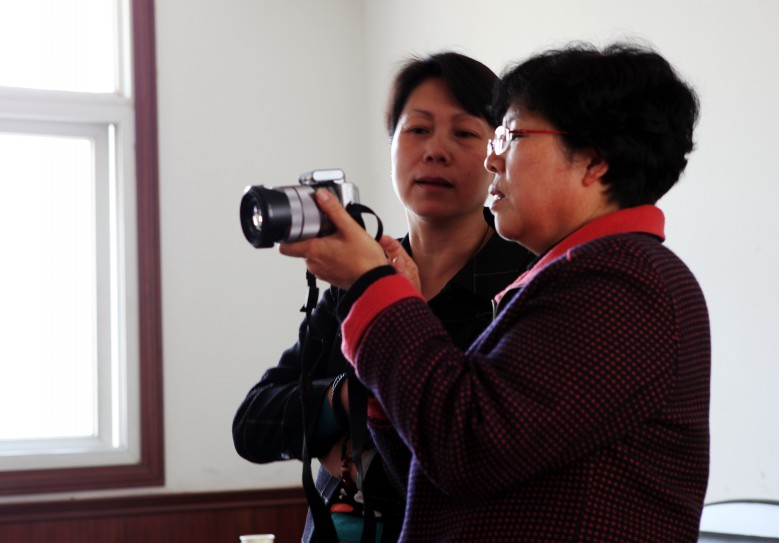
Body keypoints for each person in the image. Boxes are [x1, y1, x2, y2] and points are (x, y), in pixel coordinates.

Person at [279, 43, 711, 542]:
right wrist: (391, 320)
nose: (492, 157)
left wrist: (372, 287)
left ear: (594, 161)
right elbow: (438, 481)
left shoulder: (622, 281)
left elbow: (467, 449)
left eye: (510, 135)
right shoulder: (582, 276)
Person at [232, 52, 535, 543]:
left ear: (496, 152)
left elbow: (471, 457)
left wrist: (352, 447)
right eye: (417, 129)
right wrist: (346, 397)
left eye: (463, 133)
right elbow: (253, 424)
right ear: (391, 144)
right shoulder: (358, 276)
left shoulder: (523, 283)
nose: (435, 150)